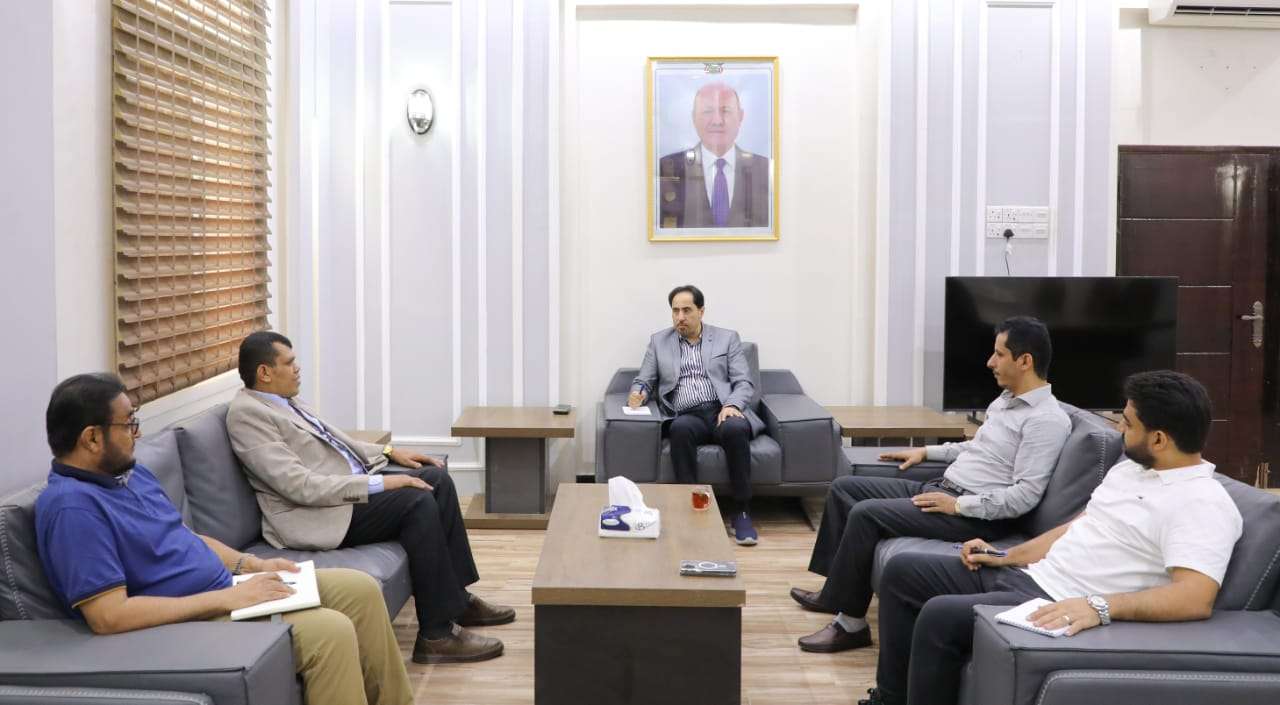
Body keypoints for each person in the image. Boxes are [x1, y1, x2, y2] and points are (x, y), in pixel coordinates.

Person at [860, 370, 1242, 705]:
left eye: (1127, 424)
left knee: (940, 616)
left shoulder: (1201, 502)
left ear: (1158, 439)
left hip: (1057, 600)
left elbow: (1194, 597)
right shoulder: (1132, 471)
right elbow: (1078, 526)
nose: (1118, 430)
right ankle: (891, 699)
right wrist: (1007, 555)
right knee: (903, 571)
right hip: (1029, 576)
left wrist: (1100, 607)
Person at [34, 373, 414, 705]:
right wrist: (227, 598)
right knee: (330, 632)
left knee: (359, 589)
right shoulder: (73, 509)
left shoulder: (130, 476)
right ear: (91, 438)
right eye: (128, 424)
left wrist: (255, 565)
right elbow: (109, 616)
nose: (138, 433)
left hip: (225, 591)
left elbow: (187, 538)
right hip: (188, 619)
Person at [226, 331, 514, 665]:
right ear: (264, 372)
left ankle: (457, 601)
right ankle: (435, 636)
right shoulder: (247, 415)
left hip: (342, 494)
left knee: (437, 479)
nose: (298, 368)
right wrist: (380, 483)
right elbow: (299, 486)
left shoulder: (285, 400)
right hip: (317, 512)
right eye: (289, 363)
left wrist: (389, 452)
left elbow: (338, 444)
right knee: (416, 501)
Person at [790, 316, 1071, 653]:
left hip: (973, 514)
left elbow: (1024, 496)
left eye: (999, 354)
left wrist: (957, 505)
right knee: (844, 488)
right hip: (944, 487)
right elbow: (977, 448)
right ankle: (834, 592)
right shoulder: (1005, 400)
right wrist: (926, 451)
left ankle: (850, 626)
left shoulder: (1046, 421)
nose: (990, 362)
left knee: (866, 514)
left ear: (1025, 361)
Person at [629, 284, 762, 545]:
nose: (680, 317)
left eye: (687, 310)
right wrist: (638, 393)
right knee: (679, 429)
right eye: (675, 311)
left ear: (701, 311)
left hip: (721, 409)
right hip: (686, 414)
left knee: (736, 429)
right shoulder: (659, 342)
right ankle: (690, 509)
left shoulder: (727, 338)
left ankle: (742, 512)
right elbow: (644, 379)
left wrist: (733, 405)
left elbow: (744, 382)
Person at [657, 81, 770, 229]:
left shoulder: (766, 170)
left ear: (741, 116)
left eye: (726, 111)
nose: (717, 121)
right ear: (693, 117)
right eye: (707, 111)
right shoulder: (665, 169)